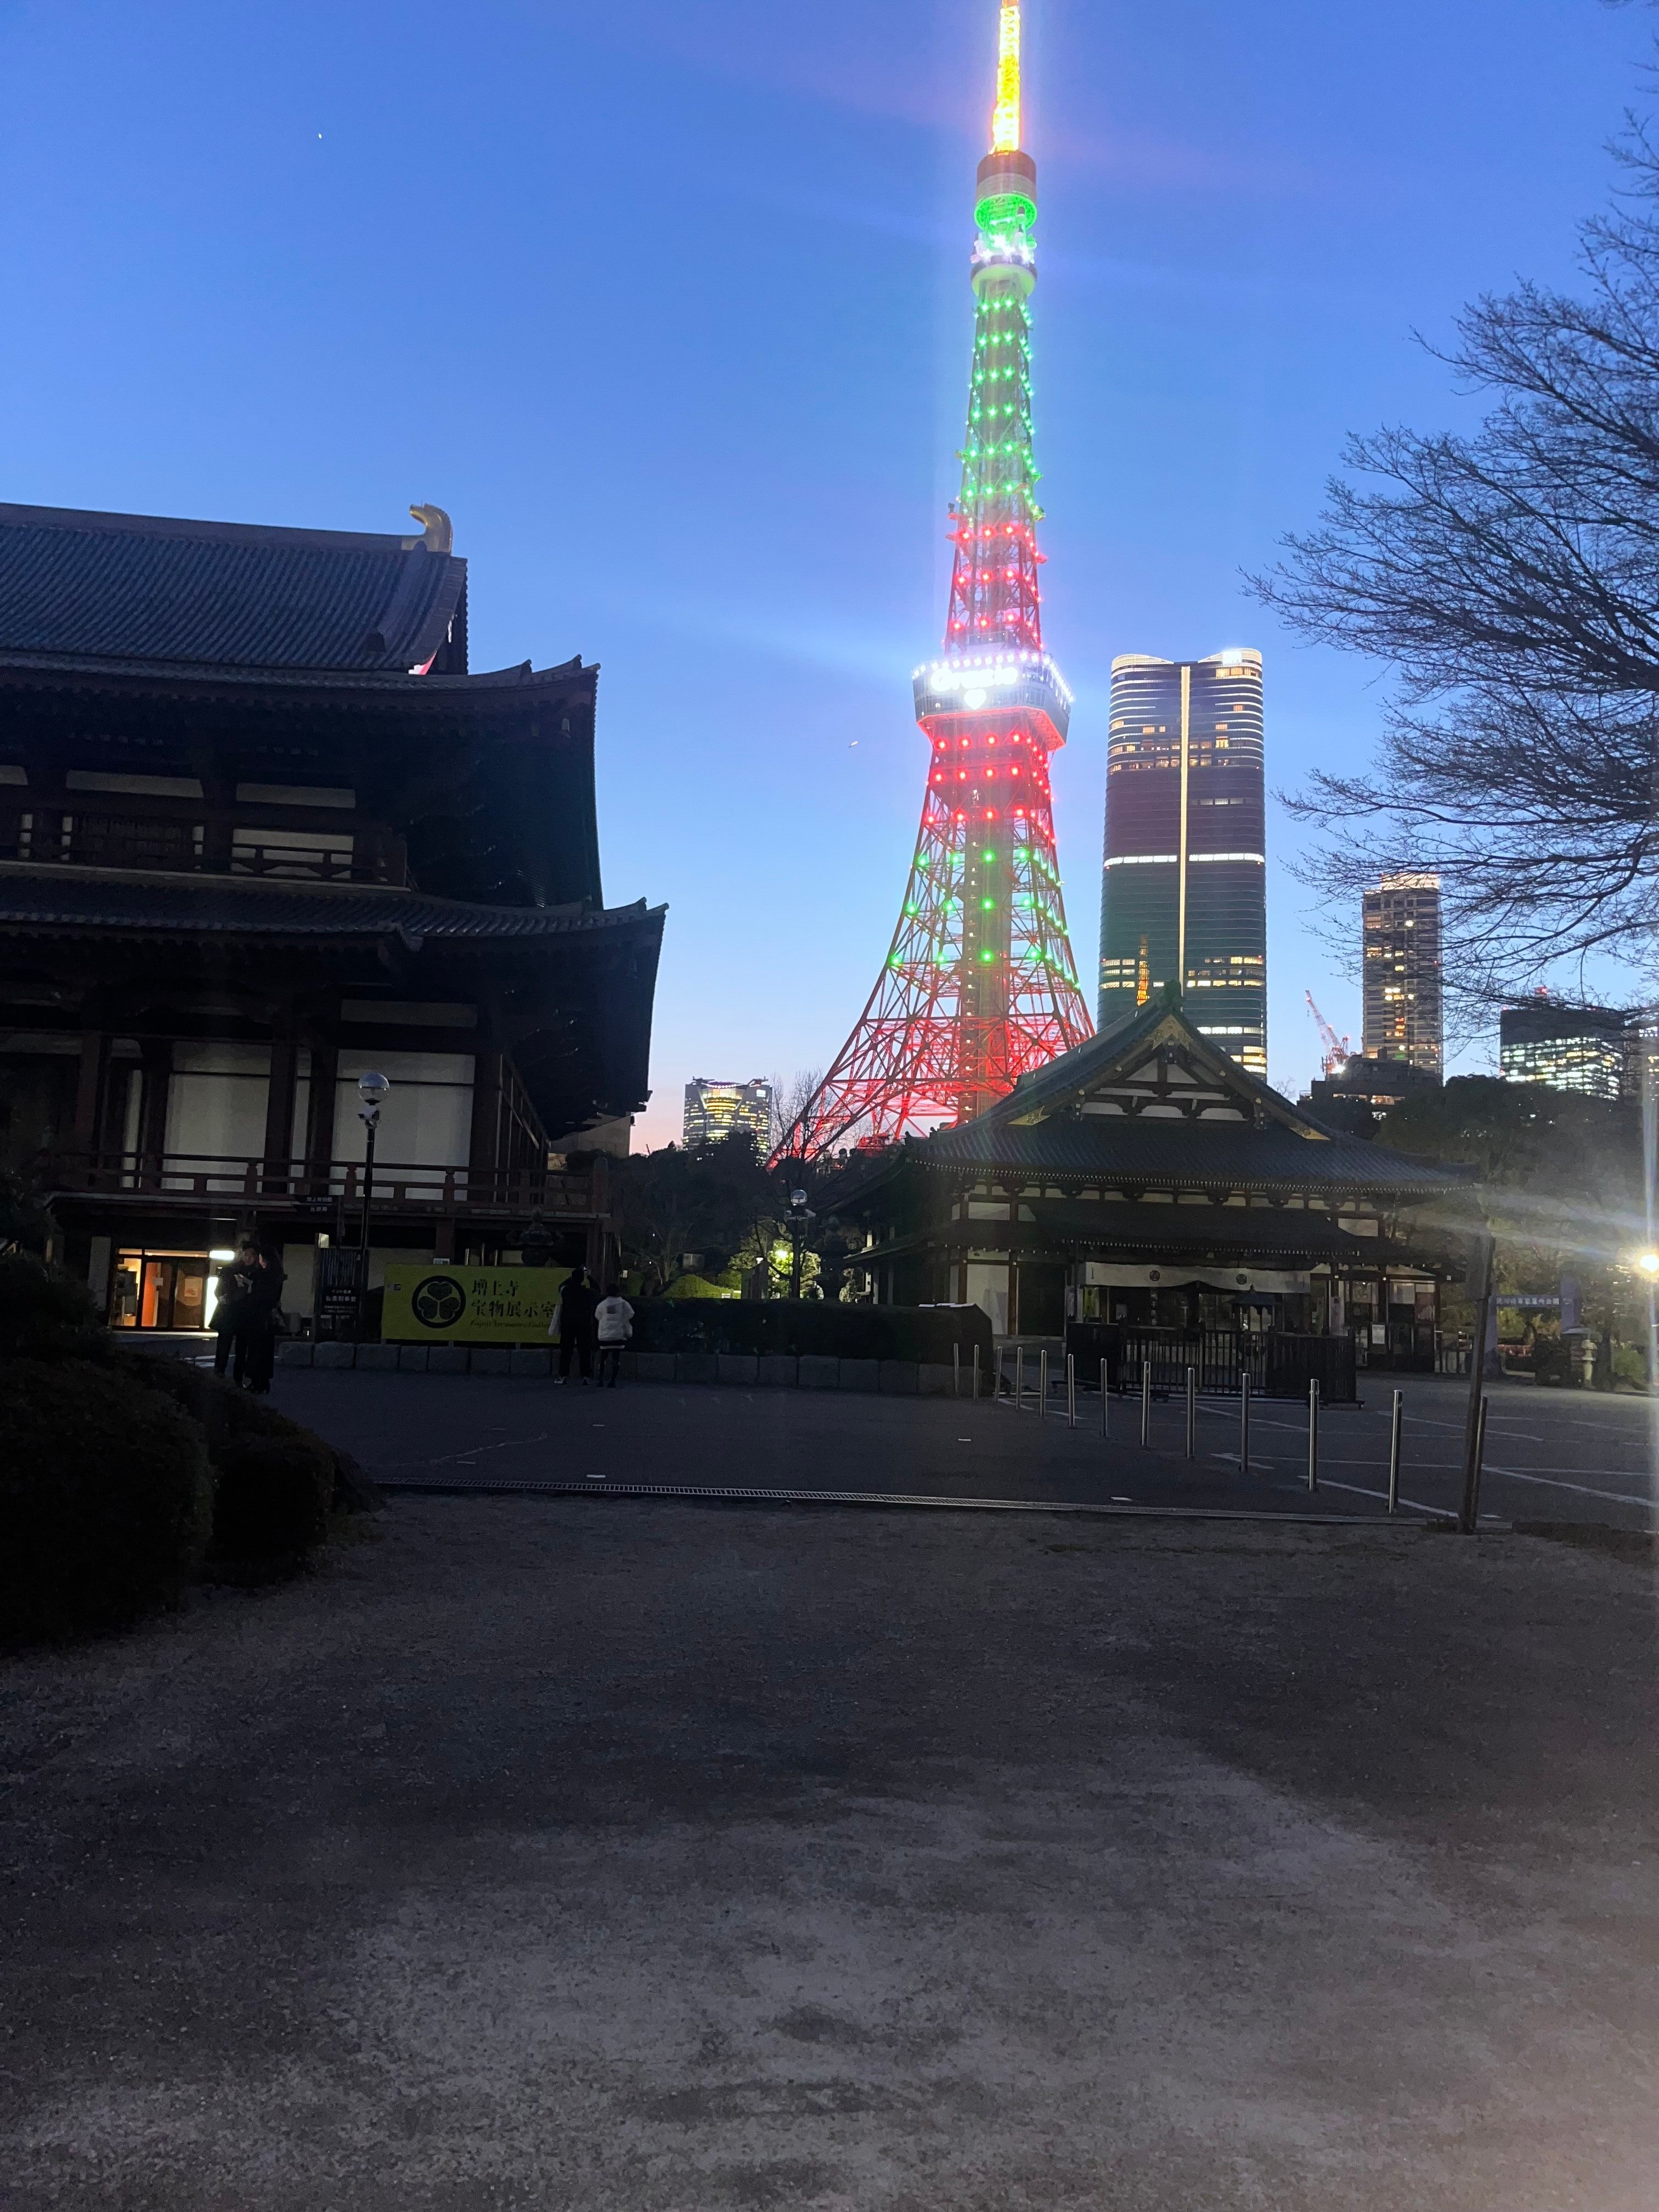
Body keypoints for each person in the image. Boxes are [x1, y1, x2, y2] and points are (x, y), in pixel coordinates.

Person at [235, 1242, 286, 1394]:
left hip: (259, 1318)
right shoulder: (277, 1275)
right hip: (268, 1320)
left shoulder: (264, 1275)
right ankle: (263, 1383)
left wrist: (248, 1285)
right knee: (265, 1353)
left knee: (256, 1351)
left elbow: (258, 1294)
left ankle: (256, 1382)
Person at [211, 1242, 255, 1377]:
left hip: (242, 1314)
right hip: (230, 1313)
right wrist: (223, 1297)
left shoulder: (255, 1273)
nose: (248, 1258)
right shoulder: (230, 1270)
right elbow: (219, 1290)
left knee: (240, 1350)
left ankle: (235, 1378)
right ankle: (221, 1375)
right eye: (246, 1254)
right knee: (226, 1348)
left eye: (252, 1255)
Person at [551, 1266, 597, 1385]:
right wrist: (589, 1277)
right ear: (582, 1280)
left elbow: (561, 1286)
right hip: (584, 1323)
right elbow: (597, 1290)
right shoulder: (587, 1293)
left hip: (568, 1323)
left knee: (566, 1350)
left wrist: (570, 1279)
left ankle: (563, 1375)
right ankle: (586, 1376)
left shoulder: (566, 1291)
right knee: (585, 1350)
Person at [594, 1284, 634, 1387]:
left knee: (603, 1358)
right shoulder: (624, 1304)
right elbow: (631, 1315)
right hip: (618, 1336)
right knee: (616, 1358)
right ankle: (613, 1380)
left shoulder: (602, 1304)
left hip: (604, 1336)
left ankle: (600, 1379)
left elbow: (597, 1316)